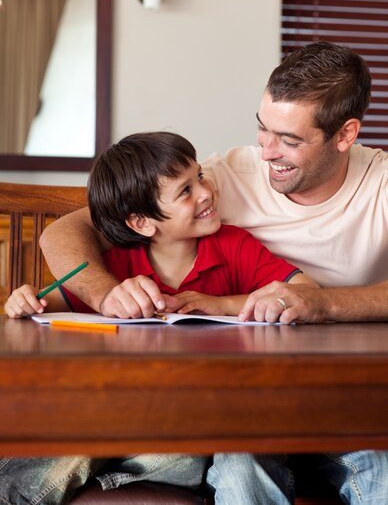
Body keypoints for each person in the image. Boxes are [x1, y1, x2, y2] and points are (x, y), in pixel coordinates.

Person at [35, 41, 388, 504]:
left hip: (340, 394)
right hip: (248, 398)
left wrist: (320, 302)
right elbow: (64, 232)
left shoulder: (380, 182)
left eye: (290, 140)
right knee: (241, 466)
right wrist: (106, 296)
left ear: (345, 135)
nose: (267, 153)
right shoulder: (222, 179)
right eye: (263, 130)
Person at [3, 131, 315, 505]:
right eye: (185, 191)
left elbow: (306, 291)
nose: (206, 191)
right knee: (71, 446)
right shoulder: (115, 268)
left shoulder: (234, 246)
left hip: (202, 425)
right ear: (141, 223)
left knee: (186, 455)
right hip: (129, 419)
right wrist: (22, 301)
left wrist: (224, 304)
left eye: (199, 176)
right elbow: (46, 304)